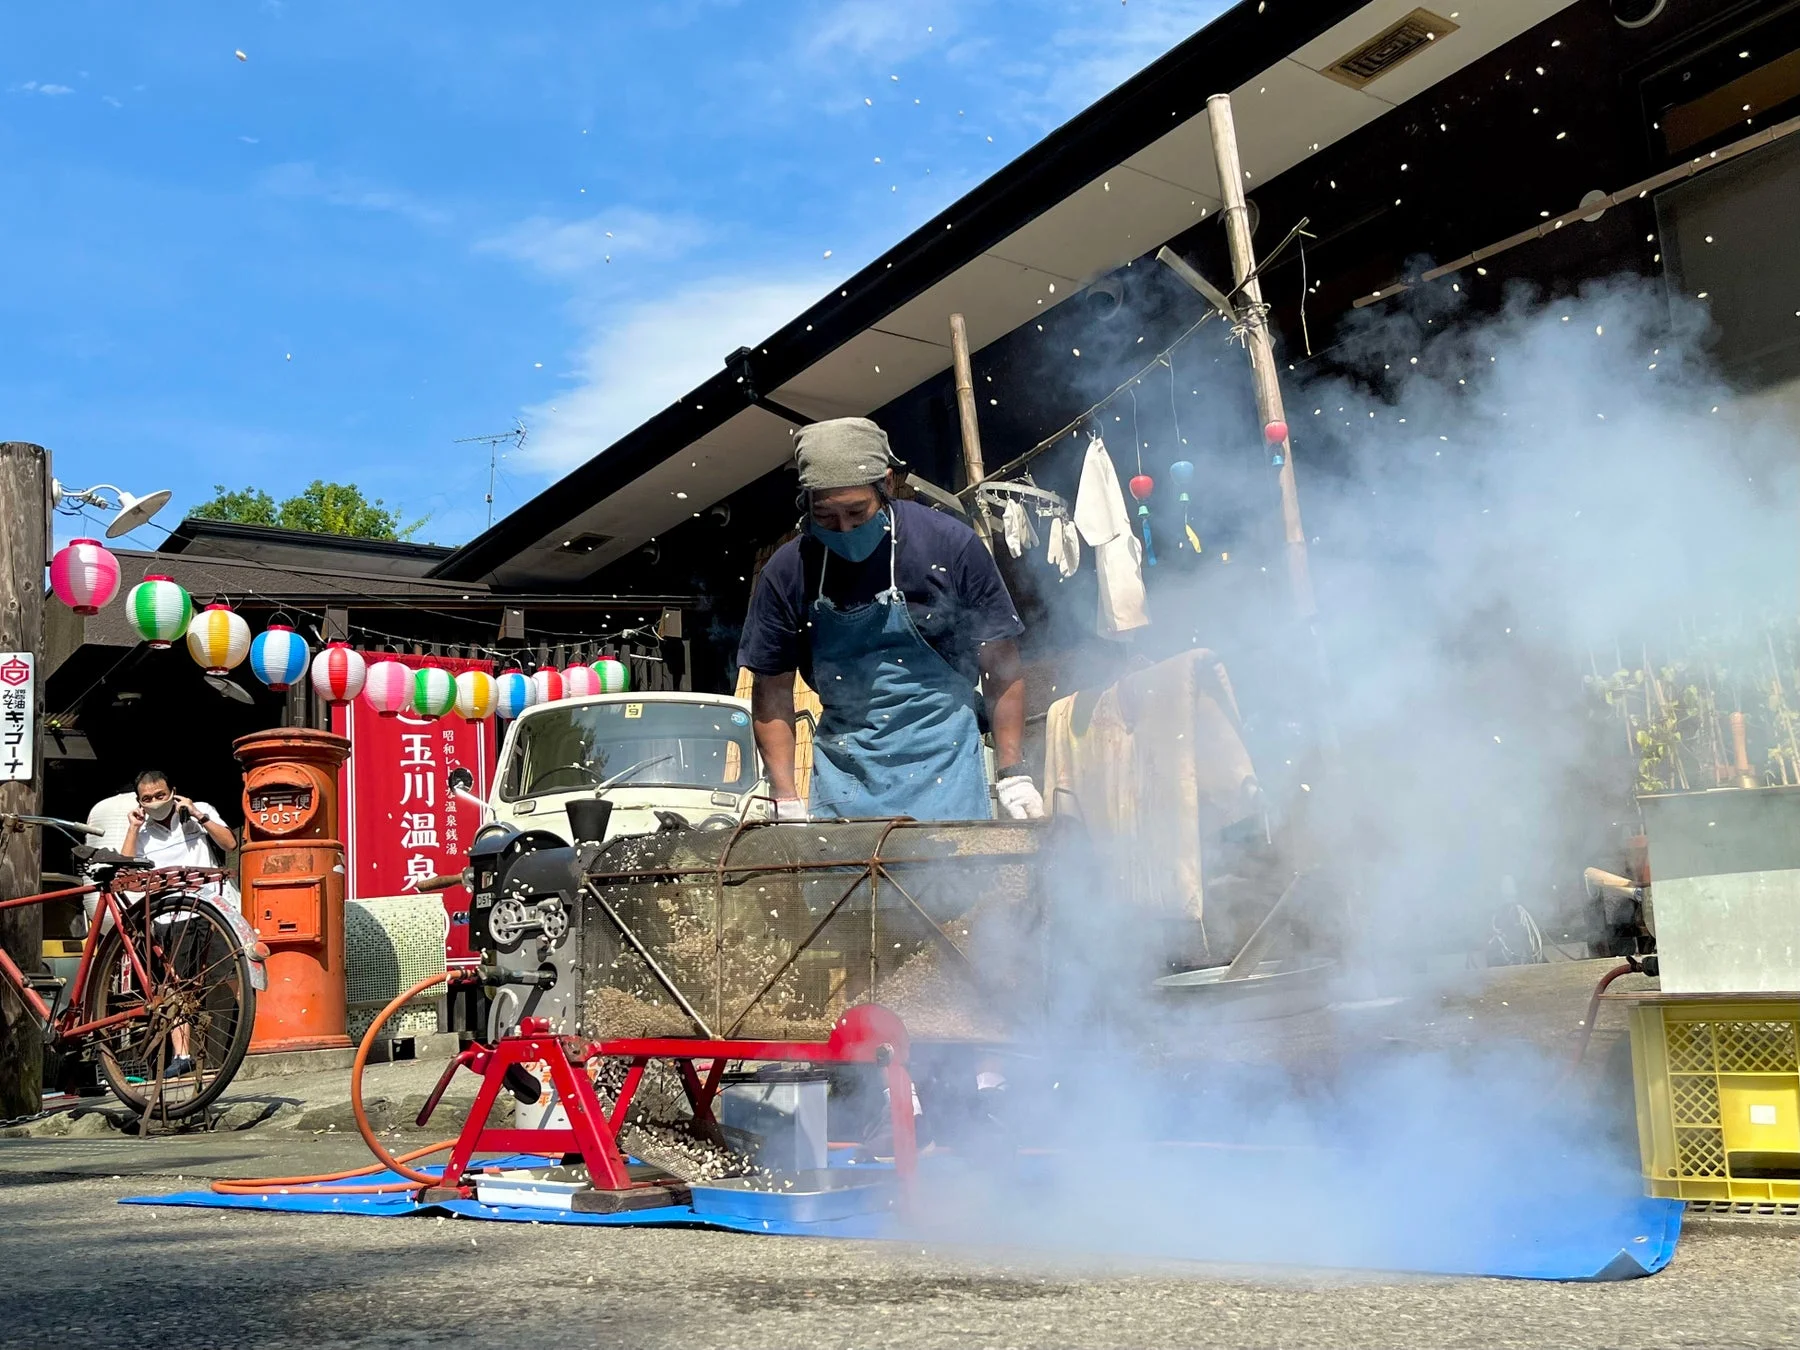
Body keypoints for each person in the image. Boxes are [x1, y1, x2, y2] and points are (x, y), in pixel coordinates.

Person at [738, 416, 1046, 822]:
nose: (844, 529)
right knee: (844, 882)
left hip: (945, 766)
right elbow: (773, 692)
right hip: (845, 777)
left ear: (884, 483)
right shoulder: (788, 571)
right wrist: (785, 797)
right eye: (826, 516)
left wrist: (1012, 772)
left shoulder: (949, 545)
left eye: (856, 512)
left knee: (954, 882)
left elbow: (1001, 663)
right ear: (807, 502)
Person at [118, 770, 239, 1079]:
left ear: (173, 791)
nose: (156, 802)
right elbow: (127, 875)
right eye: (148, 799)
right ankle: (182, 1054)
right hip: (169, 917)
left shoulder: (199, 812)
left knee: (231, 975)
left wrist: (199, 815)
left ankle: (250, 1038)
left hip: (210, 906)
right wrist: (133, 826)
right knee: (173, 986)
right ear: (139, 802)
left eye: (161, 795)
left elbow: (229, 844)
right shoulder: (141, 831)